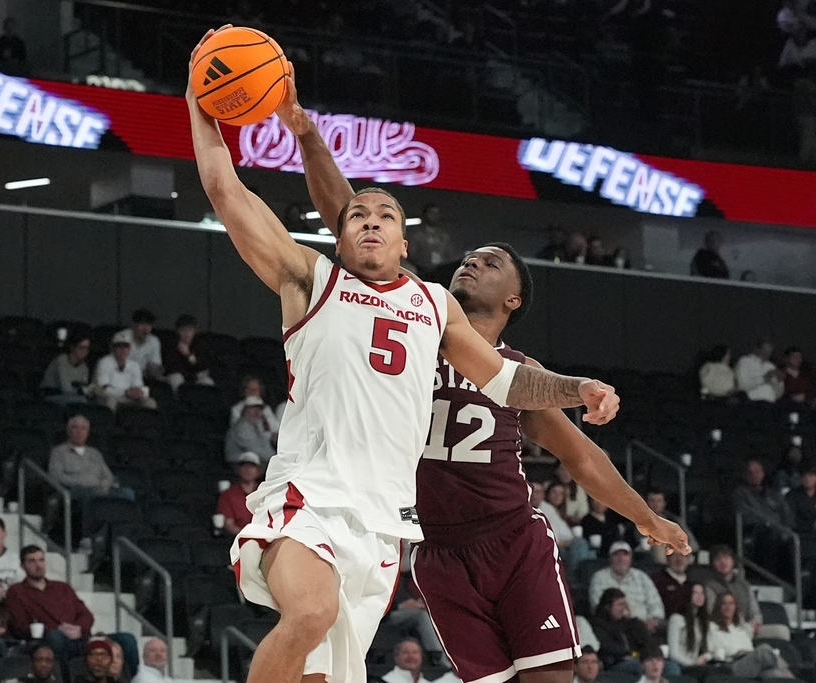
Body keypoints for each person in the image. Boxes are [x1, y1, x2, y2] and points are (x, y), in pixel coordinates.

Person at [190, 31, 621, 683]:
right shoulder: (312, 279)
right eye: (356, 213)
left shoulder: (433, 305)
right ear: (340, 233)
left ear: (402, 238)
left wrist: (575, 386)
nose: (368, 219)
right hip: (310, 495)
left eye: (384, 214)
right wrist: (198, 101)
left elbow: (507, 381)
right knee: (308, 613)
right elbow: (227, 192)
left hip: (383, 527)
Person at [278, 58, 686, 683]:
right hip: (437, 549)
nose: (471, 263)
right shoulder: (414, 317)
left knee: (551, 678)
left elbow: (582, 458)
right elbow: (347, 210)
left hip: (512, 538)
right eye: (469, 257)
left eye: (491, 262)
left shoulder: (516, 370)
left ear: (515, 299)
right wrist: (307, 135)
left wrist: (645, 517)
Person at [5, 546, 137, 677]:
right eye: (32, 561)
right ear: (23, 566)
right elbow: (19, 627)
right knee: (56, 637)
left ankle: (130, 680)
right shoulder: (17, 591)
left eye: (41, 560)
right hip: (48, 640)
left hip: (80, 638)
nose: (38, 565)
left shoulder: (63, 588)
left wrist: (79, 628)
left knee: (127, 639)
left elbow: (86, 615)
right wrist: (58, 629)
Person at [706, 593, 794, 679]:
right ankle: (787, 670)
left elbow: (749, 648)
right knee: (763, 649)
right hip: (732, 665)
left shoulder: (740, 629)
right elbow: (711, 651)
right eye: (724, 603)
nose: (728, 607)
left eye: (731, 603)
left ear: (735, 607)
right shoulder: (712, 627)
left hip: (750, 662)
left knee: (775, 674)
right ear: (718, 607)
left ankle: (791, 677)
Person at [48, 416, 133, 502]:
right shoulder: (58, 452)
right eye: (75, 428)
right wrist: (82, 483)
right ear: (69, 431)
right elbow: (56, 477)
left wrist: (103, 485)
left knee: (127, 493)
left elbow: (108, 476)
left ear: (87, 433)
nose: (79, 432)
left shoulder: (95, 453)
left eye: (83, 429)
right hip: (75, 492)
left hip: (99, 491)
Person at [732, 461, 794, 578]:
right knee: (770, 536)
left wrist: (785, 530)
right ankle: (767, 578)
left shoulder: (773, 494)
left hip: (778, 532)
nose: (754, 475)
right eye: (750, 473)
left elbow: (786, 515)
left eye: (757, 472)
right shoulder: (740, 493)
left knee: (793, 541)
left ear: (763, 474)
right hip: (755, 532)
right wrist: (767, 523)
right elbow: (743, 515)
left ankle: (788, 581)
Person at [589, 542, 665, 633]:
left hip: (645, 627)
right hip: (613, 626)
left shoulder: (642, 577)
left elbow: (656, 604)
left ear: (630, 559)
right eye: (616, 555)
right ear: (610, 558)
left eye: (625, 555)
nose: (621, 559)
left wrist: (653, 620)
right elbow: (598, 607)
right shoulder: (599, 577)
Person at [589, 588, 652, 674]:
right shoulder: (598, 624)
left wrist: (633, 619)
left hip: (636, 657)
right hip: (615, 662)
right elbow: (608, 647)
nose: (623, 609)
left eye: (625, 605)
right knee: (642, 667)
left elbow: (647, 640)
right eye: (620, 605)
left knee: (669, 666)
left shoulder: (627, 622)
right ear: (607, 607)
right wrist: (632, 653)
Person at [90, 331, 157, 411]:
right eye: (119, 346)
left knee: (150, 402)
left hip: (129, 397)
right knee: (111, 401)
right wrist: (125, 392)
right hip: (109, 396)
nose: (122, 350)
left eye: (125, 346)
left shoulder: (134, 365)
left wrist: (136, 393)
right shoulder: (104, 362)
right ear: (113, 348)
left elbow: (138, 386)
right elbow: (104, 387)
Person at [703, 546, 763, 634]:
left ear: (732, 561)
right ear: (713, 564)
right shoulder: (710, 586)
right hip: (724, 628)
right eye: (718, 559)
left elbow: (755, 611)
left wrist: (755, 623)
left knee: (781, 631)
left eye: (726, 558)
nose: (723, 562)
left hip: (749, 626)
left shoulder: (744, 585)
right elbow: (712, 614)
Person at [643, 489, 698, 565]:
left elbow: (693, 543)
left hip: (673, 550)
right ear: (646, 503)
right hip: (650, 551)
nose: (656, 504)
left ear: (664, 503)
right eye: (652, 501)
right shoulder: (639, 520)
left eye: (659, 501)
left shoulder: (674, 520)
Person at [666, 582, 712, 668]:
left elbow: (706, 649)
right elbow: (674, 654)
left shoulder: (701, 621)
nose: (700, 596)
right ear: (688, 595)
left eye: (702, 593)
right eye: (695, 593)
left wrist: (706, 657)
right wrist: (693, 664)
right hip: (681, 665)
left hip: (696, 665)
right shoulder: (676, 619)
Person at [163, 314, 214, 391]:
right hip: (179, 376)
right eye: (183, 330)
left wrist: (188, 355)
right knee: (176, 378)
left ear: (194, 331)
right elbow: (172, 367)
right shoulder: (172, 344)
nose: (186, 334)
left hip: (197, 376)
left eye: (190, 330)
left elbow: (201, 366)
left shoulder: (200, 344)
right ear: (178, 331)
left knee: (207, 382)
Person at [217, 453, 263, 536]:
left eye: (251, 467)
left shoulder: (264, 493)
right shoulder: (228, 495)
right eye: (244, 466)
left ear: (258, 472)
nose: (247, 470)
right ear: (238, 470)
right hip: (237, 540)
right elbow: (229, 524)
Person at [224, 396, 276, 465]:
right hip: (238, 464)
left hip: (258, 462)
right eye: (252, 408)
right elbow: (253, 448)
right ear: (245, 411)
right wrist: (276, 460)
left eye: (259, 409)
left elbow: (265, 446)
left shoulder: (257, 425)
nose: (256, 412)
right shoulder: (242, 427)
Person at [40, 336, 91, 405]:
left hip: (71, 396)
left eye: (87, 348)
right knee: (82, 402)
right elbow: (66, 388)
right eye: (81, 348)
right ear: (72, 348)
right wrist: (82, 390)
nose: (84, 351)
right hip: (51, 396)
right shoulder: (62, 360)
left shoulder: (84, 366)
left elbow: (84, 387)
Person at [125, 309, 165, 382]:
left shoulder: (154, 341)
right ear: (134, 325)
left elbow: (155, 365)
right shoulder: (122, 338)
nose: (146, 328)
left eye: (149, 324)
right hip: (124, 377)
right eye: (142, 324)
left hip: (146, 378)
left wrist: (155, 369)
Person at [650, 550, 692, 616]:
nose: (679, 559)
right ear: (668, 558)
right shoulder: (657, 580)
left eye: (683, 555)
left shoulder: (693, 582)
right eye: (675, 555)